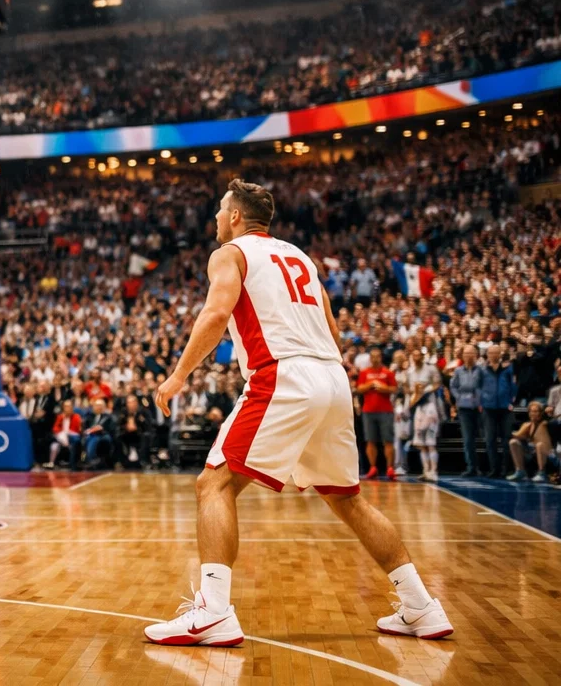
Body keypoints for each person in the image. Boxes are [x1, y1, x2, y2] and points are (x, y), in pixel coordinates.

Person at [149, 180, 451, 646]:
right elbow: (331, 327)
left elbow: (214, 314)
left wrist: (177, 376)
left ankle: (212, 612)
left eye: (218, 210)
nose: (214, 219)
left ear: (234, 217)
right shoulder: (302, 258)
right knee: (348, 498)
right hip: (331, 375)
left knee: (214, 483)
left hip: (283, 376)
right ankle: (421, 606)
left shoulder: (230, 253)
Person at [403, 346, 444, 482]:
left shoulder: (431, 368)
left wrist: (425, 390)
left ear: (422, 356)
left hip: (430, 406)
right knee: (421, 443)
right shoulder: (410, 372)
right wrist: (414, 392)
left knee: (430, 441)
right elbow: (407, 388)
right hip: (418, 408)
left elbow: (438, 383)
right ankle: (426, 470)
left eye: (418, 355)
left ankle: (434, 471)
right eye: (414, 355)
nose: (416, 358)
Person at [355, 347, 397, 479]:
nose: (375, 359)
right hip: (368, 410)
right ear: (369, 359)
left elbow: (394, 389)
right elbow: (359, 389)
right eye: (372, 357)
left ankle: (390, 468)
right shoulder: (364, 373)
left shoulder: (388, 373)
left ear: (381, 357)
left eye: (377, 356)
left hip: (386, 411)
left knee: (388, 440)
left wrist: (383, 388)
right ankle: (373, 467)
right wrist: (371, 385)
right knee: (370, 440)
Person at [479, 344, 515, 478]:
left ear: (500, 354)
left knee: (506, 440)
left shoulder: (508, 369)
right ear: (487, 354)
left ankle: (506, 469)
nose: (493, 355)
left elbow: (513, 386)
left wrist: (511, 401)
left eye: (496, 353)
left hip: (505, 408)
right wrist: (480, 402)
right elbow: (478, 387)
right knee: (490, 440)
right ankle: (494, 469)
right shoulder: (482, 370)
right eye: (491, 353)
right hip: (488, 408)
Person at [448, 345, 483, 475]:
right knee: (468, 439)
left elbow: (484, 385)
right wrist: (459, 397)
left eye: (471, 353)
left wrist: (480, 398)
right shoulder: (458, 371)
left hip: (479, 407)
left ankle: (485, 467)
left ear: (476, 355)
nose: (468, 356)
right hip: (464, 408)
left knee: (483, 438)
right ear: (463, 356)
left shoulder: (481, 370)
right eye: (466, 354)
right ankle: (471, 467)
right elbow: (453, 386)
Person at [507, 401, 555, 482]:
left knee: (540, 445)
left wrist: (549, 413)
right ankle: (520, 471)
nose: (533, 414)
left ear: (541, 413)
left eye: (536, 411)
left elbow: (550, 418)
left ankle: (542, 473)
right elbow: (517, 435)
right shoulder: (527, 425)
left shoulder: (545, 423)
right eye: (531, 411)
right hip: (532, 453)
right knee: (513, 442)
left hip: (548, 455)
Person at [49, 399, 82, 469]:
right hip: (61, 437)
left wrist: (68, 433)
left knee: (74, 442)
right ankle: (51, 463)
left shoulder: (76, 417)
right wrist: (62, 431)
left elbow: (77, 430)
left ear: (72, 408)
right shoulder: (60, 417)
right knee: (54, 446)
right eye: (65, 406)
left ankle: (73, 464)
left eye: (69, 406)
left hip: (71, 437)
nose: (67, 408)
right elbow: (55, 428)